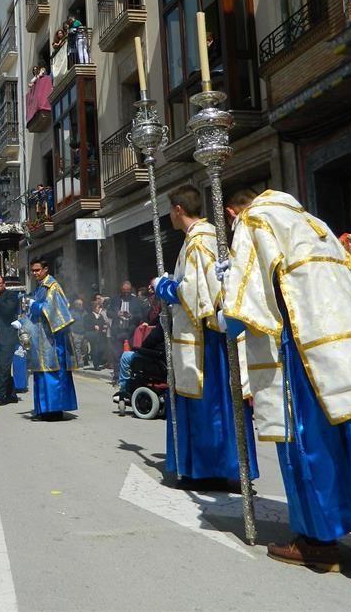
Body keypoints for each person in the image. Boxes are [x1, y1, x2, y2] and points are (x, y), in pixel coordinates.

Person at [221, 188, 351, 571]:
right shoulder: (316, 224)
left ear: (231, 212)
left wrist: (223, 296)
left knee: (314, 437)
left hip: (307, 342)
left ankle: (317, 541)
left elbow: (246, 296)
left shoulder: (254, 219)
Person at [155, 184, 258, 489]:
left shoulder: (199, 242)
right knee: (222, 403)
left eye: (169, 212)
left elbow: (195, 293)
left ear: (177, 210)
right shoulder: (214, 237)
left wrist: (164, 287)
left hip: (204, 342)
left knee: (208, 405)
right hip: (212, 336)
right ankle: (224, 467)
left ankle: (209, 470)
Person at [26, 258, 78, 420]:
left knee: (53, 371)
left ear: (46, 269)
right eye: (33, 270)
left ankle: (54, 411)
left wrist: (33, 305)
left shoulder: (53, 287)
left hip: (54, 339)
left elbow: (53, 310)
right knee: (42, 371)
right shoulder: (40, 287)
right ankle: (44, 409)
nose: (35, 273)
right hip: (41, 337)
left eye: (37, 270)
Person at [0, 274, 21, 406]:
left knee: (5, 366)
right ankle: (11, 394)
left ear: (4, 284)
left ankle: (0, 395)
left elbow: (8, 311)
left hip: (7, 336)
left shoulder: (10, 296)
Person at [114, 321, 165, 400]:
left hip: (157, 360)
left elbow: (149, 342)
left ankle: (123, 389)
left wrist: (140, 348)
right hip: (166, 360)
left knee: (126, 356)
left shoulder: (164, 325)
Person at [108, 280, 144, 349]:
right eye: (124, 291)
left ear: (131, 290)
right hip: (117, 332)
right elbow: (108, 313)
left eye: (128, 291)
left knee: (130, 353)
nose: (126, 293)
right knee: (117, 355)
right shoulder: (115, 299)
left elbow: (140, 316)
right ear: (121, 290)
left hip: (130, 333)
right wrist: (117, 314)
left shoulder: (136, 301)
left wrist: (131, 316)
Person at [84, 294, 110, 370]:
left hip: (100, 335)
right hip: (92, 335)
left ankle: (99, 361)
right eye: (98, 307)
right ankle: (96, 365)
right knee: (95, 349)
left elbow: (103, 324)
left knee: (101, 349)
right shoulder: (88, 316)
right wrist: (93, 326)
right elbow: (85, 326)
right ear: (94, 308)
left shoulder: (100, 316)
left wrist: (104, 327)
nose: (99, 309)